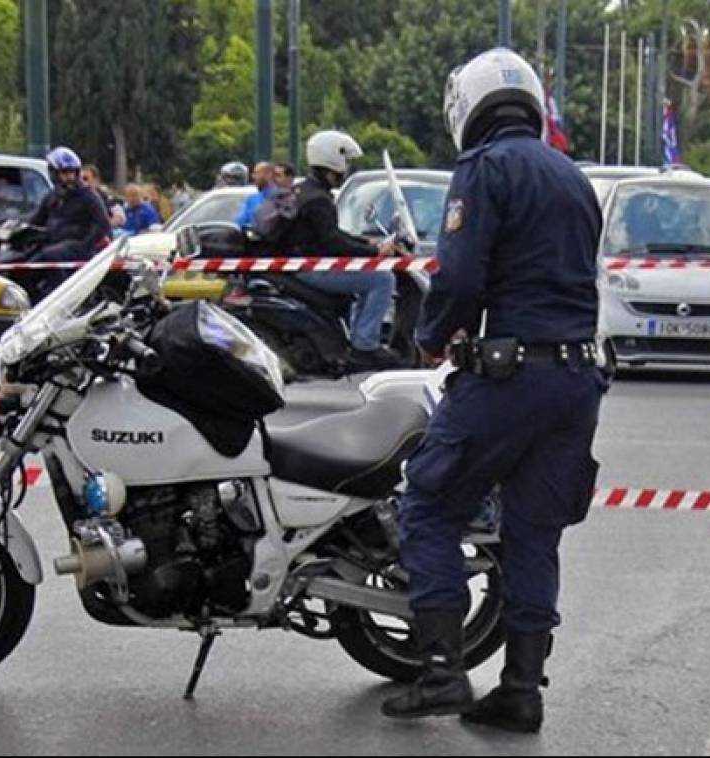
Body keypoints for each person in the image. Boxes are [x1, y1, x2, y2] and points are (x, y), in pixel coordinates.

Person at [380, 48, 605, 735]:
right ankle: (521, 690)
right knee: (534, 531)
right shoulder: (573, 176)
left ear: (467, 106)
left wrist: (430, 336)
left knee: (429, 504)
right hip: (577, 379)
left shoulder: (485, 167)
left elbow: (461, 276)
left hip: (510, 376)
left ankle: (441, 669)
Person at [282, 131, 400, 368]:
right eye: (345, 161)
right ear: (333, 160)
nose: (346, 168)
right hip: (312, 268)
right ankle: (365, 345)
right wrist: (374, 253)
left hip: (305, 263)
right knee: (382, 279)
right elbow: (332, 243)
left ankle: (359, 337)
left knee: (370, 276)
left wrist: (367, 243)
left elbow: (331, 234)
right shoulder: (318, 199)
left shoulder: (306, 190)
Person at [23, 147, 112, 264]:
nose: (70, 177)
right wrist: (18, 227)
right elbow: (36, 220)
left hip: (75, 247)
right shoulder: (52, 197)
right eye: (65, 173)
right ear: (53, 173)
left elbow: (102, 223)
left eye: (72, 172)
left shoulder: (88, 195)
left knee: (47, 255)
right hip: (53, 243)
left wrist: (85, 245)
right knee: (25, 256)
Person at [235, 162, 277, 229]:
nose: (253, 176)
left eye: (257, 173)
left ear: (269, 174)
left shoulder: (282, 197)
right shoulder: (252, 199)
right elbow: (240, 223)